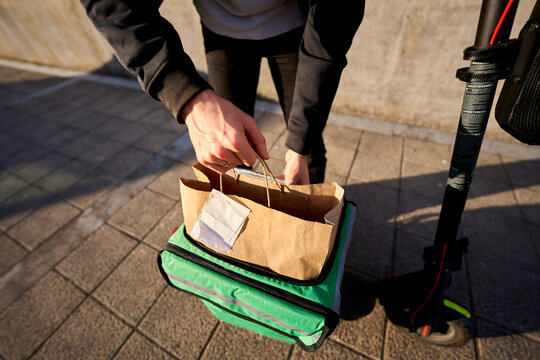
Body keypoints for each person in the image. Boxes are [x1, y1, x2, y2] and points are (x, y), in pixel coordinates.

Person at [81, 0, 364, 184]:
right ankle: (239, 224)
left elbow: (336, 20)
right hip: (222, 35)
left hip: (297, 30)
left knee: (306, 141)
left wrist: (299, 150)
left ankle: (309, 219)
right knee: (228, 151)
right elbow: (114, 5)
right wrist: (189, 97)